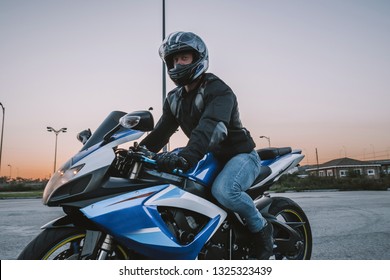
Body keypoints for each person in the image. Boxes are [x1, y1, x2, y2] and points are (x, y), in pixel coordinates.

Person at [139, 31, 273, 259]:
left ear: (198, 58)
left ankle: (262, 229)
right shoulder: (174, 98)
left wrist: (187, 157)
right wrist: (137, 152)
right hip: (209, 155)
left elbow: (211, 128)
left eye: (184, 57)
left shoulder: (218, 90)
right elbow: (161, 133)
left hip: (239, 155)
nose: (177, 64)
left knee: (225, 191)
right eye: (173, 59)